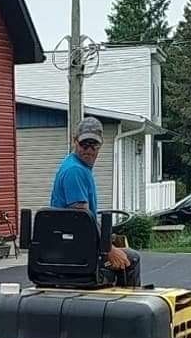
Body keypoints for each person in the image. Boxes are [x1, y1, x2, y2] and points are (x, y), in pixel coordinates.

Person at [49, 117, 138, 283]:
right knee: (131, 259)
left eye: (93, 144)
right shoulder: (75, 171)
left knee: (123, 252)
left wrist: (107, 239)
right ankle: (128, 307)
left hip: (70, 243)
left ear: (100, 145)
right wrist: (108, 249)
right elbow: (81, 220)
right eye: (84, 144)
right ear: (75, 141)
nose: (88, 150)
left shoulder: (76, 166)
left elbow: (85, 217)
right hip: (74, 248)